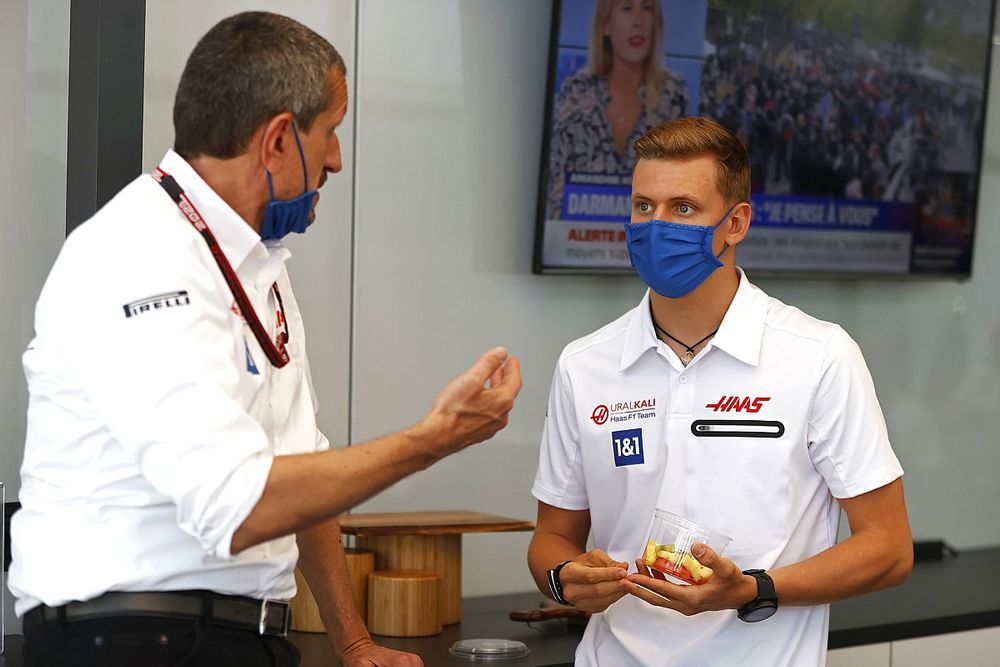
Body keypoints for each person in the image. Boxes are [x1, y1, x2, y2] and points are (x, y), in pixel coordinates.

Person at [8, 11, 521, 667]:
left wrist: (355, 642)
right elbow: (240, 504)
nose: (336, 159)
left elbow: (302, 474)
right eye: (330, 132)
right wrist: (431, 440)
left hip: (236, 638)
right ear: (278, 139)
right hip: (131, 641)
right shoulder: (142, 252)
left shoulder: (255, 267)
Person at [528, 116, 912, 666]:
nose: (656, 226)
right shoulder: (584, 364)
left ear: (736, 223)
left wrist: (753, 589)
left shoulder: (818, 355)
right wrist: (565, 579)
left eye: (682, 208)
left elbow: (889, 549)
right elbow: (550, 539)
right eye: (643, 206)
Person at [545, 0, 688, 220]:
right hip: (577, 244)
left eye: (647, 9)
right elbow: (555, 192)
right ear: (605, 25)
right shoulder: (576, 93)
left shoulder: (672, 95)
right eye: (627, 8)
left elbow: (681, 188)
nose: (638, 21)